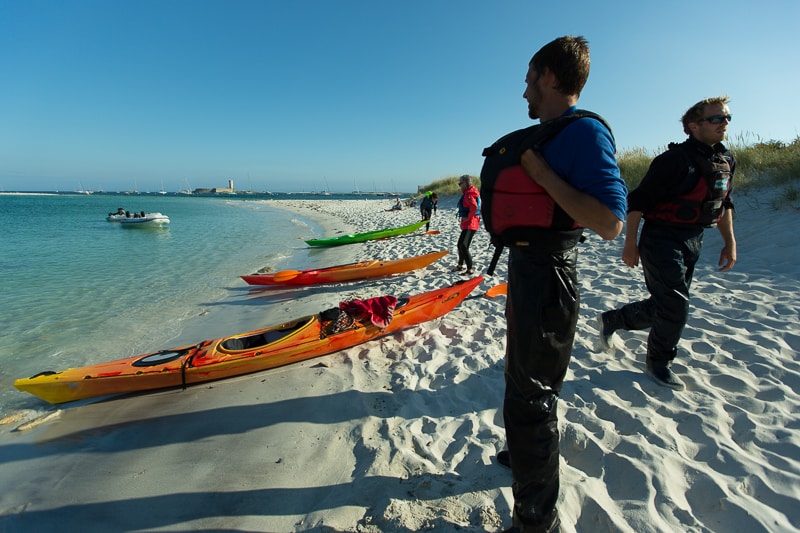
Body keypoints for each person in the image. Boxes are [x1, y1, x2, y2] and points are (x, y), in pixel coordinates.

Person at [497, 36, 627, 532]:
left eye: (530, 80)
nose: (525, 92)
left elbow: (611, 222)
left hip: (550, 275)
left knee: (532, 396)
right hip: (527, 270)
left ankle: (537, 521)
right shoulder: (550, 133)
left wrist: (544, 175)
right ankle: (525, 455)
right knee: (520, 380)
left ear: (550, 77)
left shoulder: (584, 133)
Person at [598, 96, 737, 391]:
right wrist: (630, 244)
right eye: (716, 118)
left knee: (665, 304)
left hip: (694, 239)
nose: (723, 123)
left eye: (726, 118)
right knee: (675, 306)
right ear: (693, 126)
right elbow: (637, 202)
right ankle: (659, 363)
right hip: (661, 239)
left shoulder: (725, 162)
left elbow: (723, 205)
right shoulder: (673, 161)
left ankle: (613, 319)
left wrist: (730, 243)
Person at [453, 175, 480, 275]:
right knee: (460, 245)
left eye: (460, 183)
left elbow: (474, 207)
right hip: (471, 223)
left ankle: (470, 269)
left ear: (466, 183)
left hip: (471, 223)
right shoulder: (469, 193)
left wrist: (467, 218)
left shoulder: (469, 194)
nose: (459, 185)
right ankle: (460, 265)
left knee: (463, 246)